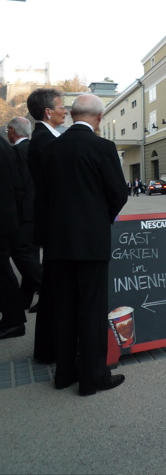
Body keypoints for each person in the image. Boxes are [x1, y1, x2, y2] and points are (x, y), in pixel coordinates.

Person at [38, 93, 128, 396]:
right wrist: (102, 220)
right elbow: (119, 193)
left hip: (58, 243)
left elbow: (43, 199)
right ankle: (93, 377)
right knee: (91, 308)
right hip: (91, 243)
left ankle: (65, 373)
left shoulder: (51, 148)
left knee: (65, 308)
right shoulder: (102, 147)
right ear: (99, 117)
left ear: (73, 114)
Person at [26, 87, 67, 363]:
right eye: (61, 106)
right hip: (56, 226)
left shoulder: (49, 138)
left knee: (53, 289)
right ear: (48, 112)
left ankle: (50, 348)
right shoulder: (44, 141)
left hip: (54, 225)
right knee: (55, 289)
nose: (66, 110)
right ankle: (50, 349)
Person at [6, 117, 43, 312]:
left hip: (24, 213)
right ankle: (25, 299)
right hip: (38, 211)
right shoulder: (34, 149)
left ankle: (48, 289)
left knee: (20, 252)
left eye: (7, 130)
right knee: (31, 254)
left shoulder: (16, 152)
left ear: (13, 130)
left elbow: (18, 185)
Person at [0, 136, 27, 340]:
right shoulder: (6, 145)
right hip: (7, 215)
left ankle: (13, 319)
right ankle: (13, 318)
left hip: (3, 216)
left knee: (2, 271)